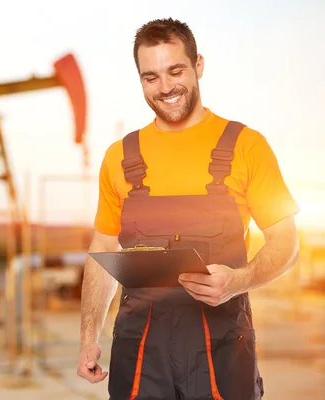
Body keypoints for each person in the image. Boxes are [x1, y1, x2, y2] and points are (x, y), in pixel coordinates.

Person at [77, 18, 300, 400]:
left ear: (198, 65)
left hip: (221, 348)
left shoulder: (246, 146)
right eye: (150, 77)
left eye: (175, 70)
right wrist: (88, 338)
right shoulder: (120, 157)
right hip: (140, 349)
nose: (165, 87)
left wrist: (238, 281)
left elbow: (287, 244)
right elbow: (103, 251)